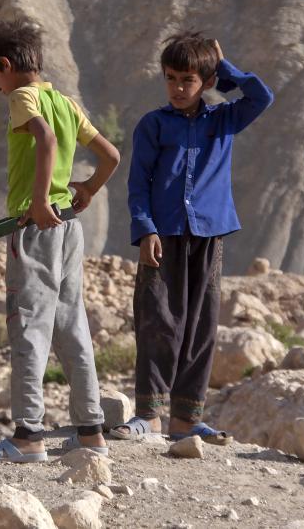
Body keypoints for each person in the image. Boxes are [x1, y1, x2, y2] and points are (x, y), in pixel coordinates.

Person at [112, 32, 273, 444]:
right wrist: (145, 228)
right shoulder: (154, 124)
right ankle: (148, 415)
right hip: (162, 236)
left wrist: (227, 69)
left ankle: (186, 420)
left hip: (209, 233)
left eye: (188, 79)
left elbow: (262, 97)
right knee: (158, 321)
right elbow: (138, 184)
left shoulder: (224, 119)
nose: (179, 88)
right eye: (171, 78)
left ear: (206, 80)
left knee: (201, 326)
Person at [0, 18, 120, 462]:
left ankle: (28, 436)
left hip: (35, 227)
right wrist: (89, 188)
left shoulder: (23, 97)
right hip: (69, 226)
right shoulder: (65, 101)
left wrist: (37, 200)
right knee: (72, 323)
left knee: (28, 325)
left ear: (4, 66)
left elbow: (45, 138)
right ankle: (91, 430)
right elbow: (111, 155)